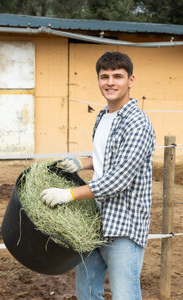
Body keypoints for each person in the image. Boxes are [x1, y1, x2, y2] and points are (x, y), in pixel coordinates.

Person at [40, 51, 155, 300]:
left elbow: (119, 178)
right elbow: (106, 158)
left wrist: (68, 194)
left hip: (124, 224)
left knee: (125, 295)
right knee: (87, 292)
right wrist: (81, 162)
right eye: (104, 77)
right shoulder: (103, 116)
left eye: (118, 76)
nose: (110, 82)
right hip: (94, 220)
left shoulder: (138, 123)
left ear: (131, 80)